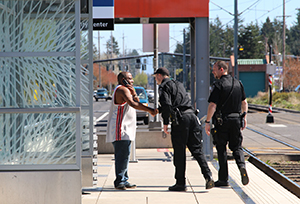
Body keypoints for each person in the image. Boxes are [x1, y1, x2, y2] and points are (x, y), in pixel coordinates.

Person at [153, 67, 214, 191]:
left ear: (160, 75)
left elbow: (166, 104)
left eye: (155, 77)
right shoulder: (178, 84)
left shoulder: (164, 87)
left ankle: (180, 183)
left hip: (180, 120)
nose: (156, 80)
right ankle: (208, 176)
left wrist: (165, 122)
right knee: (197, 150)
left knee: (179, 152)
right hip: (192, 117)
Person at [106, 71, 157, 190]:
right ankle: (119, 181)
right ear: (123, 79)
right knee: (122, 156)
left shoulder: (127, 90)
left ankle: (124, 178)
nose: (132, 80)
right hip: (120, 128)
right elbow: (133, 104)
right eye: (130, 78)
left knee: (125, 155)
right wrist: (150, 110)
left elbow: (136, 101)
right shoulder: (122, 90)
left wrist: (134, 93)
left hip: (126, 129)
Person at [205, 61, 249, 187]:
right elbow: (244, 102)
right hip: (236, 120)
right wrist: (244, 117)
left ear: (222, 69)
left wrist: (207, 121)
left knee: (221, 148)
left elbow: (212, 105)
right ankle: (241, 166)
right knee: (237, 147)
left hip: (222, 121)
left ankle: (223, 179)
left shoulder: (218, 85)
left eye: (214, 69)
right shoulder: (238, 83)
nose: (213, 71)